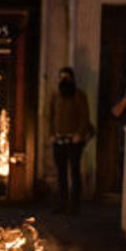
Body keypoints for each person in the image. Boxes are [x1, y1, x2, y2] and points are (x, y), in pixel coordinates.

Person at [47, 67, 94, 214]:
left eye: (67, 77)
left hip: (74, 140)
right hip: (59, 139)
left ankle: (74, 205)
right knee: (60, 173)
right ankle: (61, 202)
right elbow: (50, 115)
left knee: (74, 171)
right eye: (61, 77)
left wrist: (79, 134)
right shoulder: (55, 95)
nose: (64, 80)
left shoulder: (79, 95)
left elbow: (84, 116)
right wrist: (52, 134)